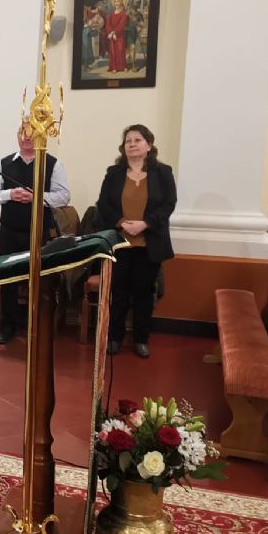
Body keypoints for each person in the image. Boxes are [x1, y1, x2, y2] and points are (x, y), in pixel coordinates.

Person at [0, 118, 70, 344]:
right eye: (23, 132)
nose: (27, 137)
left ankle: (37, 326)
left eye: (32, 132)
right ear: (17, 135)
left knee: (39, 280)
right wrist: (9, 194)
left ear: (41, 136)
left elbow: (64, 197)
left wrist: (37, 197)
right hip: (10, 231)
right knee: (9, 279)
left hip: (39, 232)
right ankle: (8, 326)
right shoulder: (3, 164)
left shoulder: (52, 164)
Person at [96, 124, 176, 359]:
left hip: (149, 243)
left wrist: (145, 223)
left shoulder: (163, 173)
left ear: (149, 145)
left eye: (137, 140)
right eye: (128, 141)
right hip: (120, 242)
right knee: (118, 293)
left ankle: (141, 339)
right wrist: (121, 222)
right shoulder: (113, 173)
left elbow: (168, 204)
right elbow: (103, 204)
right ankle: (115, 337)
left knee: (143, 294)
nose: (131, 144)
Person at [104, 0, 128, 74]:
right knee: (113, 51)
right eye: (115, 2)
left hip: (120, 35)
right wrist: (111, 33)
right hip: (112, 35)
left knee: (120, 50)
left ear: (121, 2)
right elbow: (108, 24)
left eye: (118, 1)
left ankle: (122, 66)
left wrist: (115, 33)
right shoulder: (111, 14)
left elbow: (122, 25)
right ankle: (114, 67)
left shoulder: (124, 14)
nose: (116, 3)